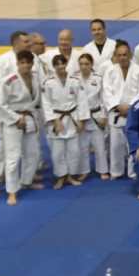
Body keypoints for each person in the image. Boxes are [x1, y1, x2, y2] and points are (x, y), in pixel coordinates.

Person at [0, 50, 43, 206]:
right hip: (13, 121)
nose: (26, 65)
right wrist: (16, 119)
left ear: (32, 64)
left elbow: (37, 100)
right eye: (22, 62)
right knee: (13, 157)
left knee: (33, 153)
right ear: (17, 63)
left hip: (29, 118)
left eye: (28, 62)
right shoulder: (9, 81)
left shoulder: (35, 78)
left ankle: (26, 181)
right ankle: (12, 191)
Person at [42, 54, 89, 190]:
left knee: (73, 151)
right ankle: (60, 177)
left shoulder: (75, 81)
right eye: (57, 64)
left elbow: (82, 101)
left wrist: (81, 120)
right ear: (54, 66)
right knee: (57, 152)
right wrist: (55, 120)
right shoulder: (48, 83)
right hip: (57, 119)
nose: (60, 66)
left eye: (62, 63)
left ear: (66, 64)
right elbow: (46, 103)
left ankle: (70, 176)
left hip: (72, 118)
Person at [103, 41, 139, 180]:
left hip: (133, 113)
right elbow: (106, 91)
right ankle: (116, 172)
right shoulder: (110, 71)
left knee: (133, 144)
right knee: (115, 145)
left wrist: (130, 107)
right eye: (119, 55)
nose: (122, 57)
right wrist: (117, 106)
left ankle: (133, 172)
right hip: (116, 113)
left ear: (130, 55)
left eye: (125, 54)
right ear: (115, 56)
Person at [74, 53, 105, 180]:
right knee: (82, 146)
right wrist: (76, 119)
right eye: (81, 64)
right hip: (81, 117)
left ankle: (103, 170)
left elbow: (103, 99)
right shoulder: (74, 79)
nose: (84, 66)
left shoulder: (98, 78)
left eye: (87, 64)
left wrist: (104, 116)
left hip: (96, 115)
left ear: (91, 65)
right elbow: (72, 100)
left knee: (100, 146)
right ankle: (84, 171)